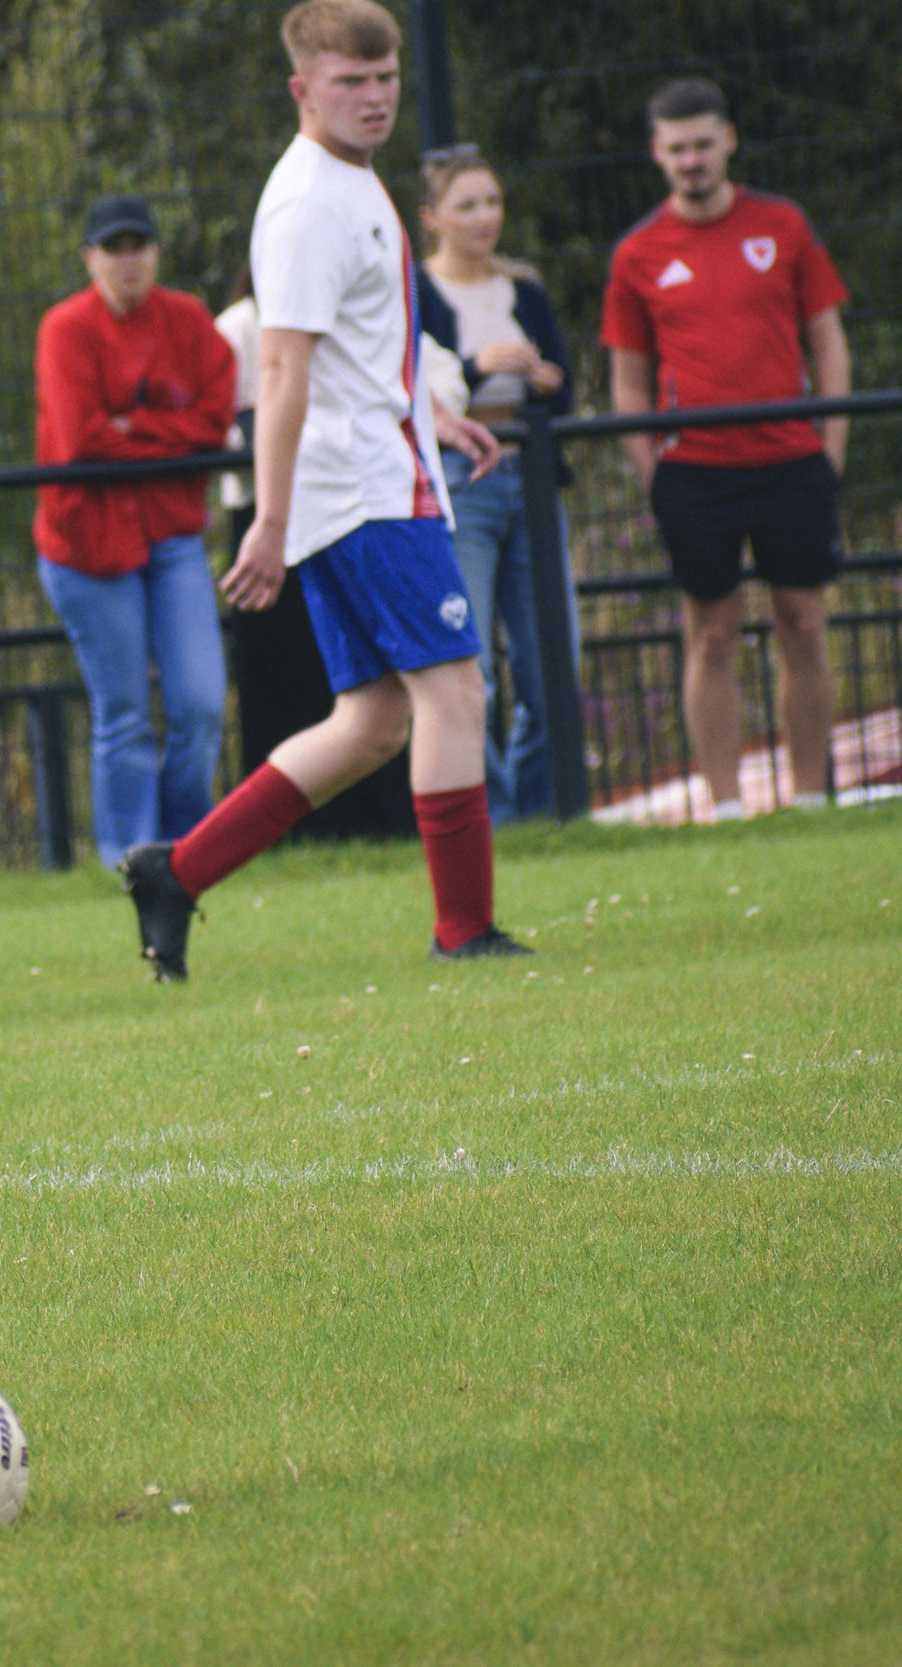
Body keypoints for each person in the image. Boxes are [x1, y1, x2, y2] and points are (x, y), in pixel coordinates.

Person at [120, 0, 522, 982]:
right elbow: (281, 373)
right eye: (351, 82)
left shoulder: (355, 180)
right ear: (303, 89)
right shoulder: (304, 203)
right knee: (454, 690)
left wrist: (432, 411)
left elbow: (356, 346)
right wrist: (267, 517)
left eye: (384, 80)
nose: (374, 97)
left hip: (382, 472)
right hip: (365, 496)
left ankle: (177, 869)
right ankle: (464, 930)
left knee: (374, 720)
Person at [602, 77, 850, 821]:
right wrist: (656, 475)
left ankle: (810, 800)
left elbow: (829, 343)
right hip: (697, 474)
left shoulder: (785, 224)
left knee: (802, 624)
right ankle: (727, 808)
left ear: (729, 141)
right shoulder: (638, 252)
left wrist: (829, 450)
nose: (691, 160)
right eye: (676, 148)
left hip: (791, 461)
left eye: (703, 144)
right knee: (710, 635)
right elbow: (629, 380)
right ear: (657, 153)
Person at [33, 192, 236, 861]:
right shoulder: (64, 328)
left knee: (201, 704)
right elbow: (81, 439)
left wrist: (137, 430)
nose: (128, 261)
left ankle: (185, 853)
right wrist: (169, 445)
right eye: (113, 248)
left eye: (138, 246)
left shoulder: (187, 318)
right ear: (89, 258)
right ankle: (130, 858)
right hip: (88, 547)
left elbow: (214, 421)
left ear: (156, 252)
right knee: (123, 713)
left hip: (171, 537)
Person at [415, 146, 577, 822]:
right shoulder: (417, 291)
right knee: (468, 663)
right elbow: (422, 389)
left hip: (530, 476)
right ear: (433, 217)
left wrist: (546, 383)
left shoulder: (525, 289)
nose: (485, 217)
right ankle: (498, 818)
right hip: (462, 482)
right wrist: (479, 369)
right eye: (467, 205)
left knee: (548, 660)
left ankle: (546, 816)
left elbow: (566, 386)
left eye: (492, 202)